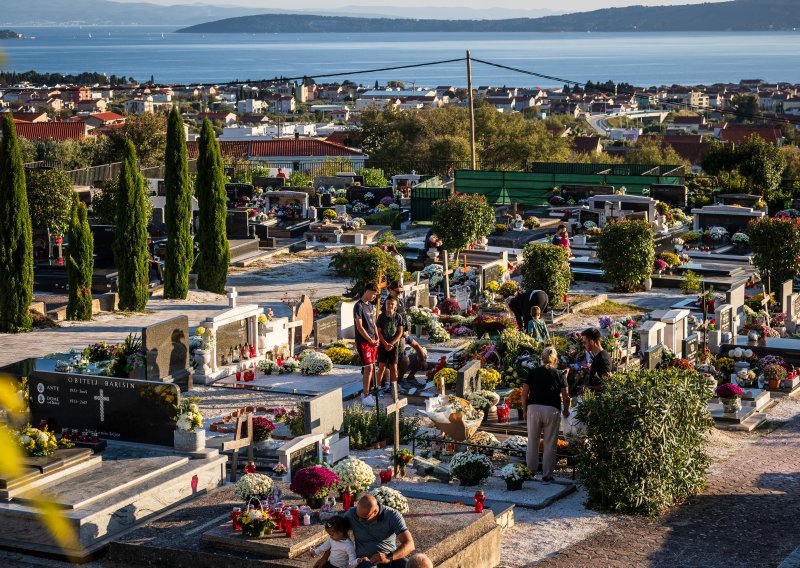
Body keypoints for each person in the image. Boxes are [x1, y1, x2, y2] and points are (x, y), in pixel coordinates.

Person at [522, 346, 570, 484]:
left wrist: (525, 410)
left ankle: (530, 471)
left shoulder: (532, 372)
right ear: (555, 360)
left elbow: (524, 394)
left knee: (532, 441)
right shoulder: (560, 374)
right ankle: (547, 475)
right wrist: (566, 410)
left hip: (534, 408)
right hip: (552, 409)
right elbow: (566, 397)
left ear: (541, 359)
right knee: (550, 443)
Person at [343, 494, 415, 568]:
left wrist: (388, 557)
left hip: (388, 558)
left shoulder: (392, 515)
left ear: (375, 511)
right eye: (357, 516)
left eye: (364, 518)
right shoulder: (351, 514)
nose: (359, 520)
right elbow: (336, 529)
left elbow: (410, 544)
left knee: (407, 564)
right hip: (364, 561)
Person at [354, 283, 379, 406]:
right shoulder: (358, 306)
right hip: (363, 341)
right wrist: (369, 339)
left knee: (372, 367)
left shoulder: (370, 306)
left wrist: (377, 337)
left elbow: (373, 323)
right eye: (374, 294)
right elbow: (359, 326)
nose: (375, 296)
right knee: (368, 367)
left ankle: (371, 390)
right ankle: (365, 395)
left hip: (372, 341)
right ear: (367, 291)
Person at [376, 296, 404, 396]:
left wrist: (391, 344)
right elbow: (378, 332)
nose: (390, 306)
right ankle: (378, 388)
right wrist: (385, 343)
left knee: (394, 368)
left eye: (392, 304)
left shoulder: (398, 317)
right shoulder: (381, 317)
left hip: (393, 346)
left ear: (395, 306)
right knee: (382, 367)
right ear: (385, 304)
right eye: (388, 303)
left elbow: (400, 332)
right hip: (383, 346)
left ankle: (394, 388)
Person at [581, 327, 612, 392]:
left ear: (592, 342)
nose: (583, 345)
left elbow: (608, 385)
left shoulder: (603, 359)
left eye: (584, 342)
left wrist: (589, 389)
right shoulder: (598, 355)